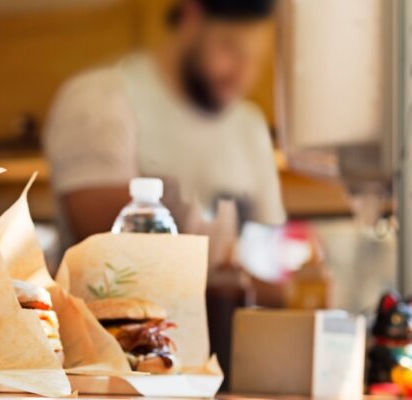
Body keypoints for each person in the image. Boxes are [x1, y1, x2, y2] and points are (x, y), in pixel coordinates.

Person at [43, 0, 285, 250]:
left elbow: (270, 255)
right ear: (191, 17)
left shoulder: (250, 126)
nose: (242, 74)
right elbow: (111, 252)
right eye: (230, 48)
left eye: (255, 58)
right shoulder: (100, 98)